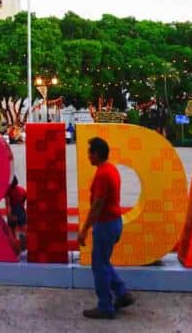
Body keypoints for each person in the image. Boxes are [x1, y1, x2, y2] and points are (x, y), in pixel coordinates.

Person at [77, 136, 135, 320]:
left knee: (99, 265)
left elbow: (97, 205)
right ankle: (122, 292)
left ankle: (105, 306)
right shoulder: (111, 169)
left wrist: (84, 229)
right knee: (103, 262)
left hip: (105, 225)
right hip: (113, 223)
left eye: (89, 152)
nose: (88, 156)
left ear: (96, 154)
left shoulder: (103, 174)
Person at [5, 175, 28, 253]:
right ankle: (23, 248)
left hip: (13, 211)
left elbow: (8, 205)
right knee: (22, 230)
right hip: (21, 211)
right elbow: (25, 198)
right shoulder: (22, 190)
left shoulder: (8, 192)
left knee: (12, 231)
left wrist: (9, 215)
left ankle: (14, 249)